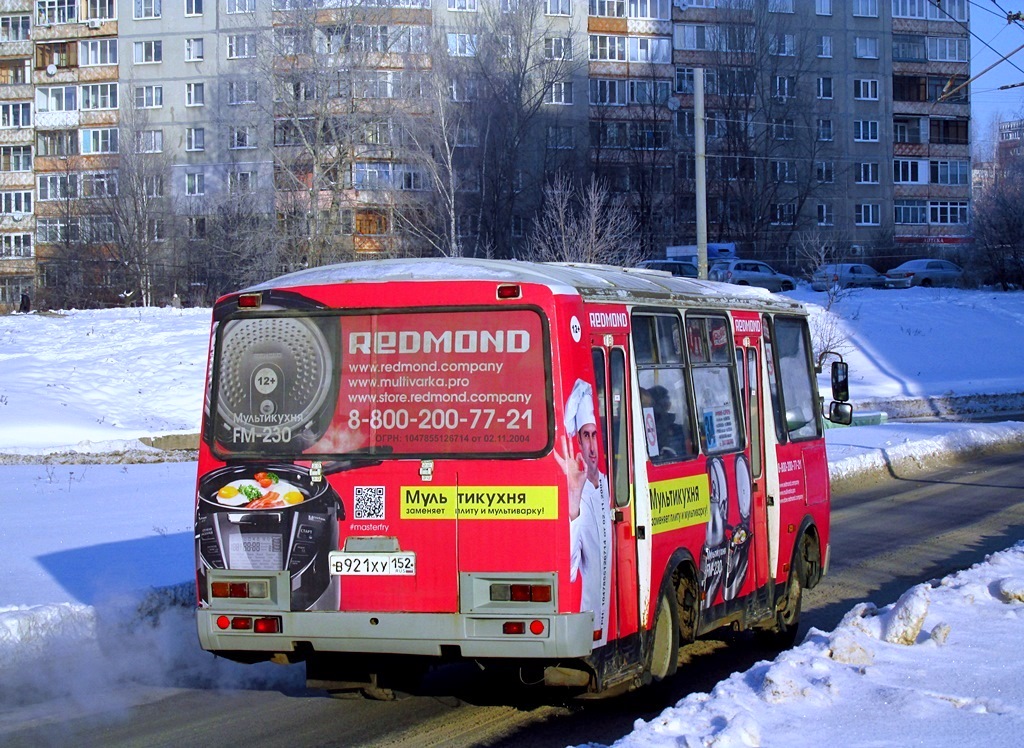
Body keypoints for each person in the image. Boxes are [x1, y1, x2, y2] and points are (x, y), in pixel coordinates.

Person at [558, 379, 613, 648]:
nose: (592, 447)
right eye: (586, 436)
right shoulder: (578, 491)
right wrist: (573, 501)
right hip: (591, 619)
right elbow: (569, 570)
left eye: (595, 435)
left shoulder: (609, 484)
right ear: (578, 441)